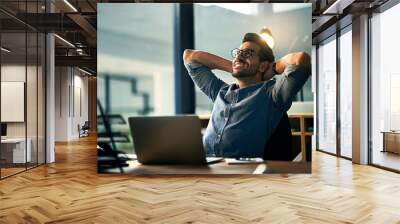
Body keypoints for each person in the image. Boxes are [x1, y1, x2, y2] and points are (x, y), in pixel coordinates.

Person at [183, 33, 311, 158]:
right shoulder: (220, 91)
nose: (239, 57)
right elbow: (190, 56)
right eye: (238, 53)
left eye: (247, 53)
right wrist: (235, 65)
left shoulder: (272, 94)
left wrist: (272, 69)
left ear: (262, 65)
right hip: (204, 164)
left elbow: (301, 60)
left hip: (241, 172)